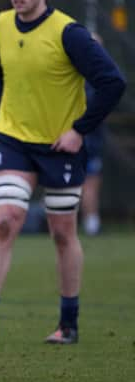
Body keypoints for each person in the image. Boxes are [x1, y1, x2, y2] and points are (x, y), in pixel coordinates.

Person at [0, 0, 125, 346]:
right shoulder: (3, 23)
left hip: (59, 147)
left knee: (62, 233)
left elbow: (112, 82)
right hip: (15, 141)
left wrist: (79, 130)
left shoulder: (68, 32)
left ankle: (67, 324)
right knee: (5, 220)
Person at [80, 32, 106, 236]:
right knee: (88, 183)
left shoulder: (98, 75)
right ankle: (90, 223)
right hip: (81, 138)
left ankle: (91, 222)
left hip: (90, 138)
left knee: (90, 182)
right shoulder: (87, 76)